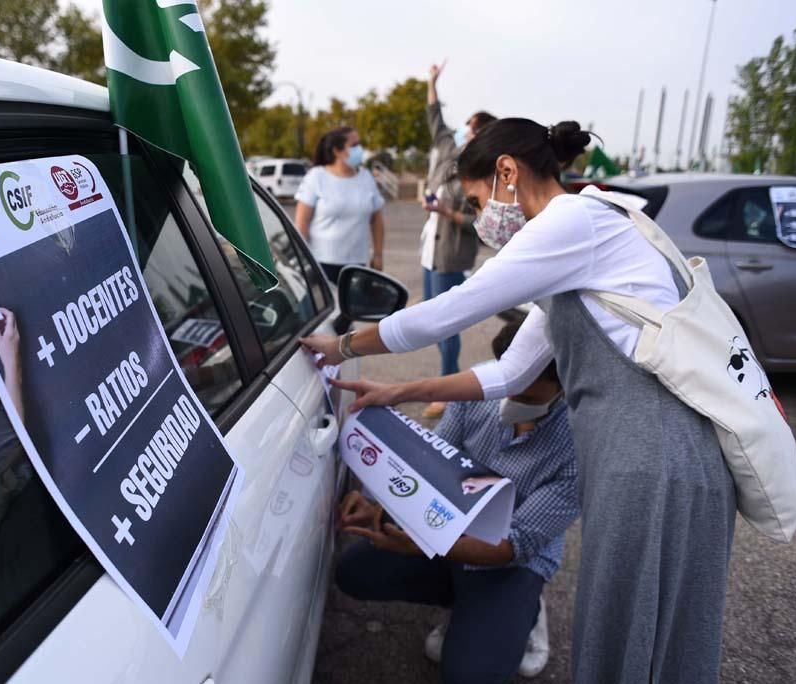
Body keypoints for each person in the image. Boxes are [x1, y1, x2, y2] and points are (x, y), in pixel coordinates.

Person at [303, 118, 737, 683]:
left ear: (507, 171)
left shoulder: (571, 223)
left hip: (655, 455)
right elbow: (508, 373)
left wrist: (340, 345)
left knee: (636, 635)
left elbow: (449, 312)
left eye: (480, 199)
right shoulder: (581, 242)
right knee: (629, 631)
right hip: (643, 452)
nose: (483, 216)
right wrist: (399, 390)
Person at [335, 320, 577, 683]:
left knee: (471, 676)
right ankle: (467, 606)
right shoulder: (479, 387)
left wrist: (421, 545)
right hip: (448, 524)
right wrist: (379, 505)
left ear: (565, 387)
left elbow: (516, 544)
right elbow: (431, 467)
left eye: (526, 398)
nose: (509, 401)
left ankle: (523, 610)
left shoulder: (580, 447)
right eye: (508, 386)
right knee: (353, 573)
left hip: (510, 561)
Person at [419, 60, 495, 419]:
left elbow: (482, 224)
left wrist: (450, 214)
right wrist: (432, 81)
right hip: (430, 248)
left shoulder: (482, 173)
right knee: (434, 325)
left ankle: (448, 393)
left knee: (446, 328)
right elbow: (434, 116)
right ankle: (448, 385)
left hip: (451, 255)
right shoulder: (450, 153)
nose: (465, 131)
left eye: (472, 128)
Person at [294, 126, 385, 284]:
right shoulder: (316, 177)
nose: (359, 149)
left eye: (359, 144)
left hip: (357, 264)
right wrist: (301, 260)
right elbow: (302, 222)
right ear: (337, 151)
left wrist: (378, 254)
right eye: (354, 145)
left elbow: (376, 219)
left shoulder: (366, 177)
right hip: (321, 263)